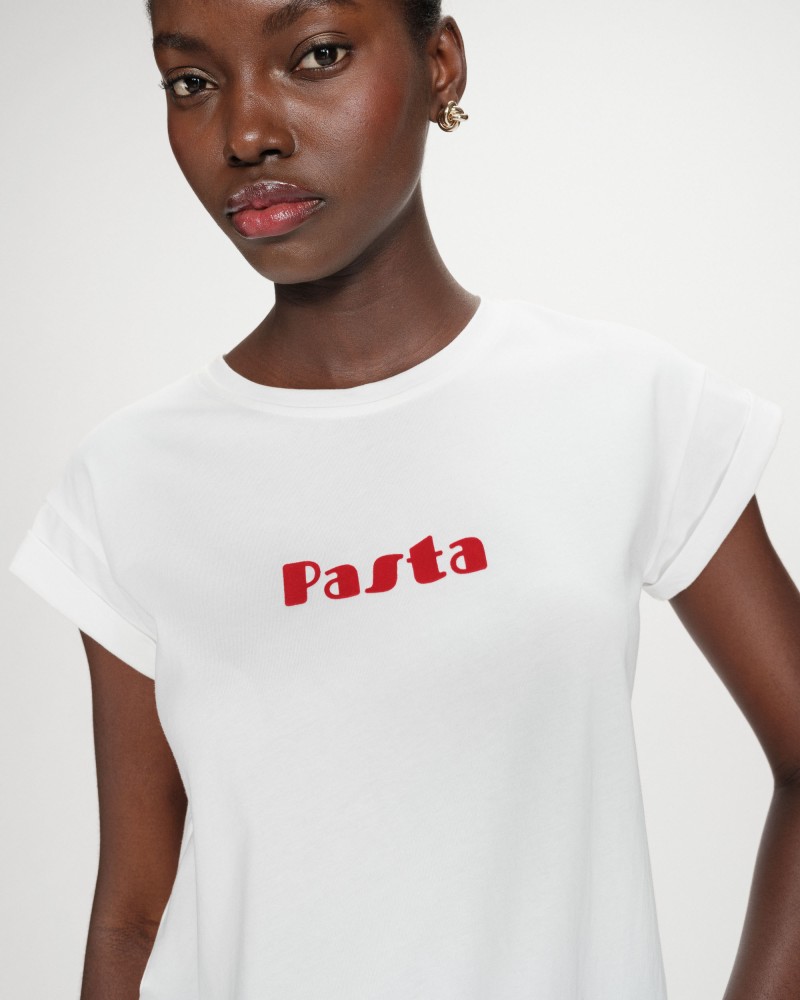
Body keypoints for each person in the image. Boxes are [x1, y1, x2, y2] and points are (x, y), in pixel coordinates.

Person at [8, 0, 800, 997]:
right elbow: (133, 914)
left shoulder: (625, 402)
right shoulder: (129, 481)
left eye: (316, 56)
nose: (246, 133)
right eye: (192, 82)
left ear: (441, 64)